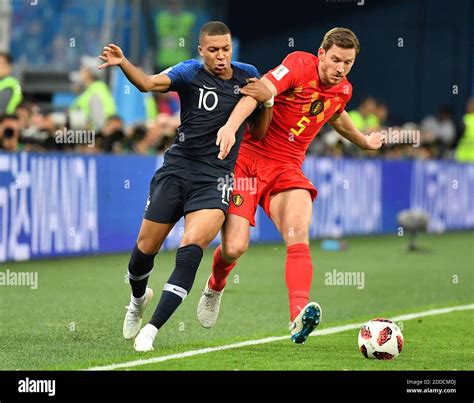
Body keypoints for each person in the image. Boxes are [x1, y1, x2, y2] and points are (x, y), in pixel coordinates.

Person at [197, 27, 384, 344]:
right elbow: (260, 91)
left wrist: (364, 142)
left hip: (286, 168)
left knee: (298, 232)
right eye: (336, 59)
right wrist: (231, 126)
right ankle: (215, 285)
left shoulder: (343, 90)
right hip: (246, 161)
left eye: (348, 63)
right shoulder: (298, 64)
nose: (340, 68)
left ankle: (297, 317)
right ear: (321, 53)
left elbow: (336, 114)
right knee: (234, 247)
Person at [98, 21, 270, 352]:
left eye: (226, 49)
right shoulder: (189, 73)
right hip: (176, 171)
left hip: (215, 178)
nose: (222, 57)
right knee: (143, 252)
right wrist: (123, 64)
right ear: (201, 51)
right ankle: (137, 300)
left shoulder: (247, 74)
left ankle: (151, 329)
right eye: (214, 51)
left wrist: (267, 103)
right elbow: (148, 83)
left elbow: (260, 133)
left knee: (190, 248)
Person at [70, 55, 117, 130]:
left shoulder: (97, 90)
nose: (80, 71)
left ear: (89, 73)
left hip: (94, 136)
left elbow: (100, 121)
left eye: (82, 69)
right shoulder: (91, 89)